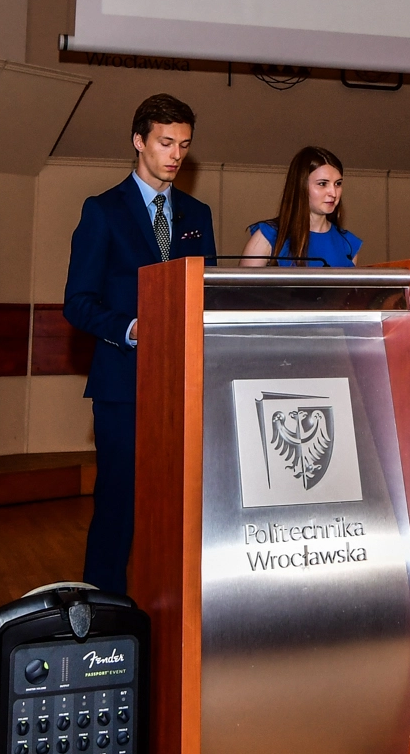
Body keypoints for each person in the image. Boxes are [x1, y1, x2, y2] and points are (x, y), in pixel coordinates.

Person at [63, 93, 217, 594]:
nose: (175, 154)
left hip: (184, 389)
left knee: (183, 506)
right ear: (139, 141)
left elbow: (208, 296)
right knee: (118, 507)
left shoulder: (197, 213)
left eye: (184, 145)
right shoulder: (102, 211)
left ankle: (172, 610)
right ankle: (103, 612)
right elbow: (77, 302)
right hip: (122, 389)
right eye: (166, 142)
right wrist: (130, 328)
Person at [240, 145, 362, 268]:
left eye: (338, 184)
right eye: (322, 184)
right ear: (301, 186)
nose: (333, 193)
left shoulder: (348, 243)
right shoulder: (268, 236)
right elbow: (243, 280)